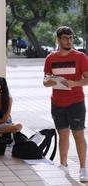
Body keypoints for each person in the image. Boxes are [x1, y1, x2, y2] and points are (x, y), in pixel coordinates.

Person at [43, 26, 88, 182]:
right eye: (65, 38)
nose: (69, 41)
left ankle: (83, 169)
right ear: (58, 39)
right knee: (62, 135)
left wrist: (74, 83)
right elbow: (45, 80)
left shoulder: (80, 57)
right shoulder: (50, 58)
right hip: (57, 103)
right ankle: (63, 166)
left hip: (76, 103)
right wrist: (50, 82)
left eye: (70, 38)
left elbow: (87, 79)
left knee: (78, 135)